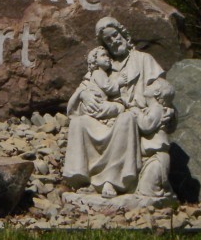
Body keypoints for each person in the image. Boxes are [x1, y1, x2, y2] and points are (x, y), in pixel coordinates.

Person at [62, 16, 173, 199]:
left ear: (124, 34)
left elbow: (163, 93)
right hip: (106, 117)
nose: (114, 41)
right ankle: (84, 180)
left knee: (126, 119)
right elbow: (82, 90)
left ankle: (112, 181)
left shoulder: (144, 60)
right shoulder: (103, 65)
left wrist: (166, 111)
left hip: (132, 118)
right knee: (79, 123)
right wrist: (83, 95)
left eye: (115, 35)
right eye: (108, 40)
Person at [66, 46, 122, 118]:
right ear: (95, 61)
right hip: (96, 104)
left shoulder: (101, 73)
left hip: (99, 104)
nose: (107, 58)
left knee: (119, 108)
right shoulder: (98, 73)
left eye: (108, 55)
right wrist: (119, 82)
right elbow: (107, 87)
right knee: (117, 108)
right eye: (103, 55)